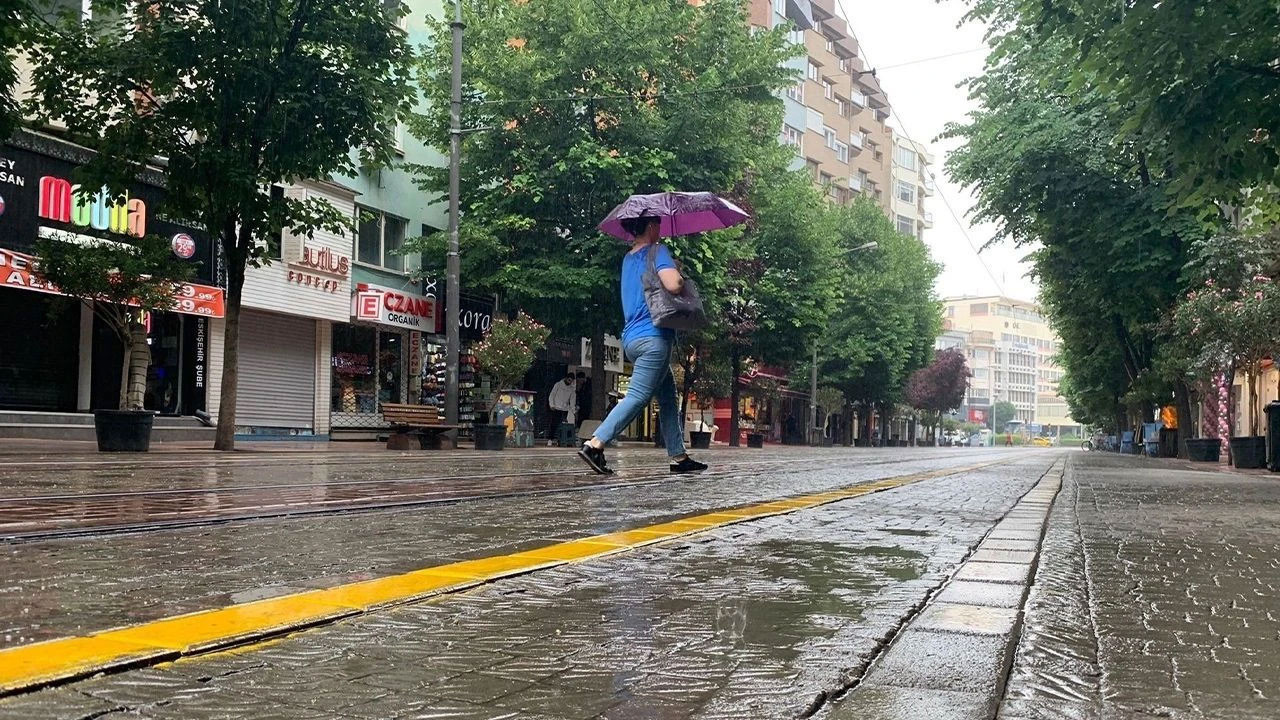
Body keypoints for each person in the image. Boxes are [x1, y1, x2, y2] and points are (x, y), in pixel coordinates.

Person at [578, 214, 707, 474]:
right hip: (654, 337)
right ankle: (595, 443)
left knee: (668, 397)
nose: (660, 229)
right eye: (658, 225)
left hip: (632, 338)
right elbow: (673, 284)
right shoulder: (658, 251)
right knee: (637, 396)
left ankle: (679, 457)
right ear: (650, 226)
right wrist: (677, 273)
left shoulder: (628, 259)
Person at [547, 374, 576, 446]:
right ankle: (550, 439)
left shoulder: (572, 389)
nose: (569, 382)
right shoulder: (558, 385)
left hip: (565, 409)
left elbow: (572, 400)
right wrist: (552, 404)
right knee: (554, 424)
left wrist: (573, 410)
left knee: (563, 425)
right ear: (566, 378)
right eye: (569, 380)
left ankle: (560, 440)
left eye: (571, 381)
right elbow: (552, 395)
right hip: (556, 408)